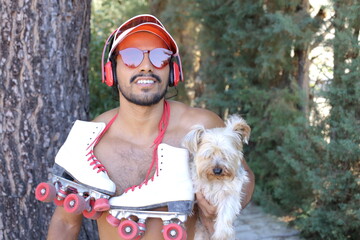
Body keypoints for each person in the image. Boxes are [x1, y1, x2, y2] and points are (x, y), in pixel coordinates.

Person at [47, 14, 255, 240]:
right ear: (111, 70)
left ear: (172, 71)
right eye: (130, 56)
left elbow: (244, 175)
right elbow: (66, 224)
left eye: (160, 56)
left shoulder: (202, 125)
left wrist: (221, 208)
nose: (146, 66)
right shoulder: (91, 139)